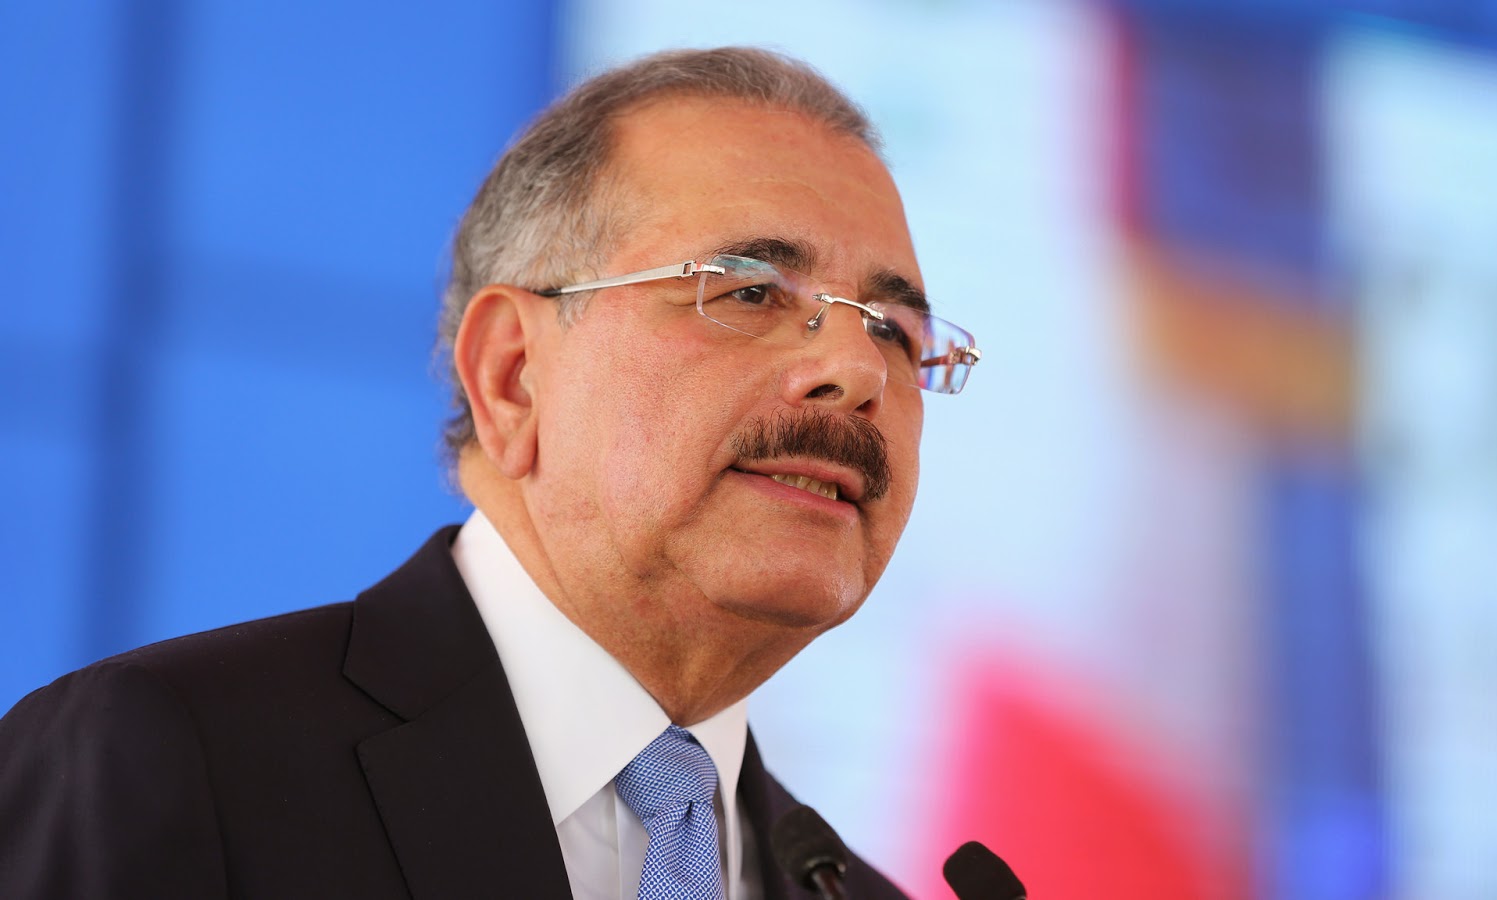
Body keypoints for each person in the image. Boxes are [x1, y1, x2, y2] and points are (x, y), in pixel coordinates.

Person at [0, 47, 981, 899]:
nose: (856, 372)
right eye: (751, 292)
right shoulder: (182, 761)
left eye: (895, 332)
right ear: (512, 375)